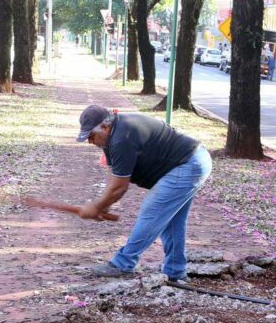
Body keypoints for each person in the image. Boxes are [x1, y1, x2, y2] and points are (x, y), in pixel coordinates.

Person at [76, 105, 212, 281]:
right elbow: (114, 173)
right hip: (189, 162)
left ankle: (123, 264)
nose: (90, 141)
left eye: (91, 136)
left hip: (188, 164)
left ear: (105, 126)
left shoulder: (121, 138)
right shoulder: (111, 136)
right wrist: (104, 205)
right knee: (171, 221)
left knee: (152, 213)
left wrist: (96, 207)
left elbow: (119, 187)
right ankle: (175, 271)